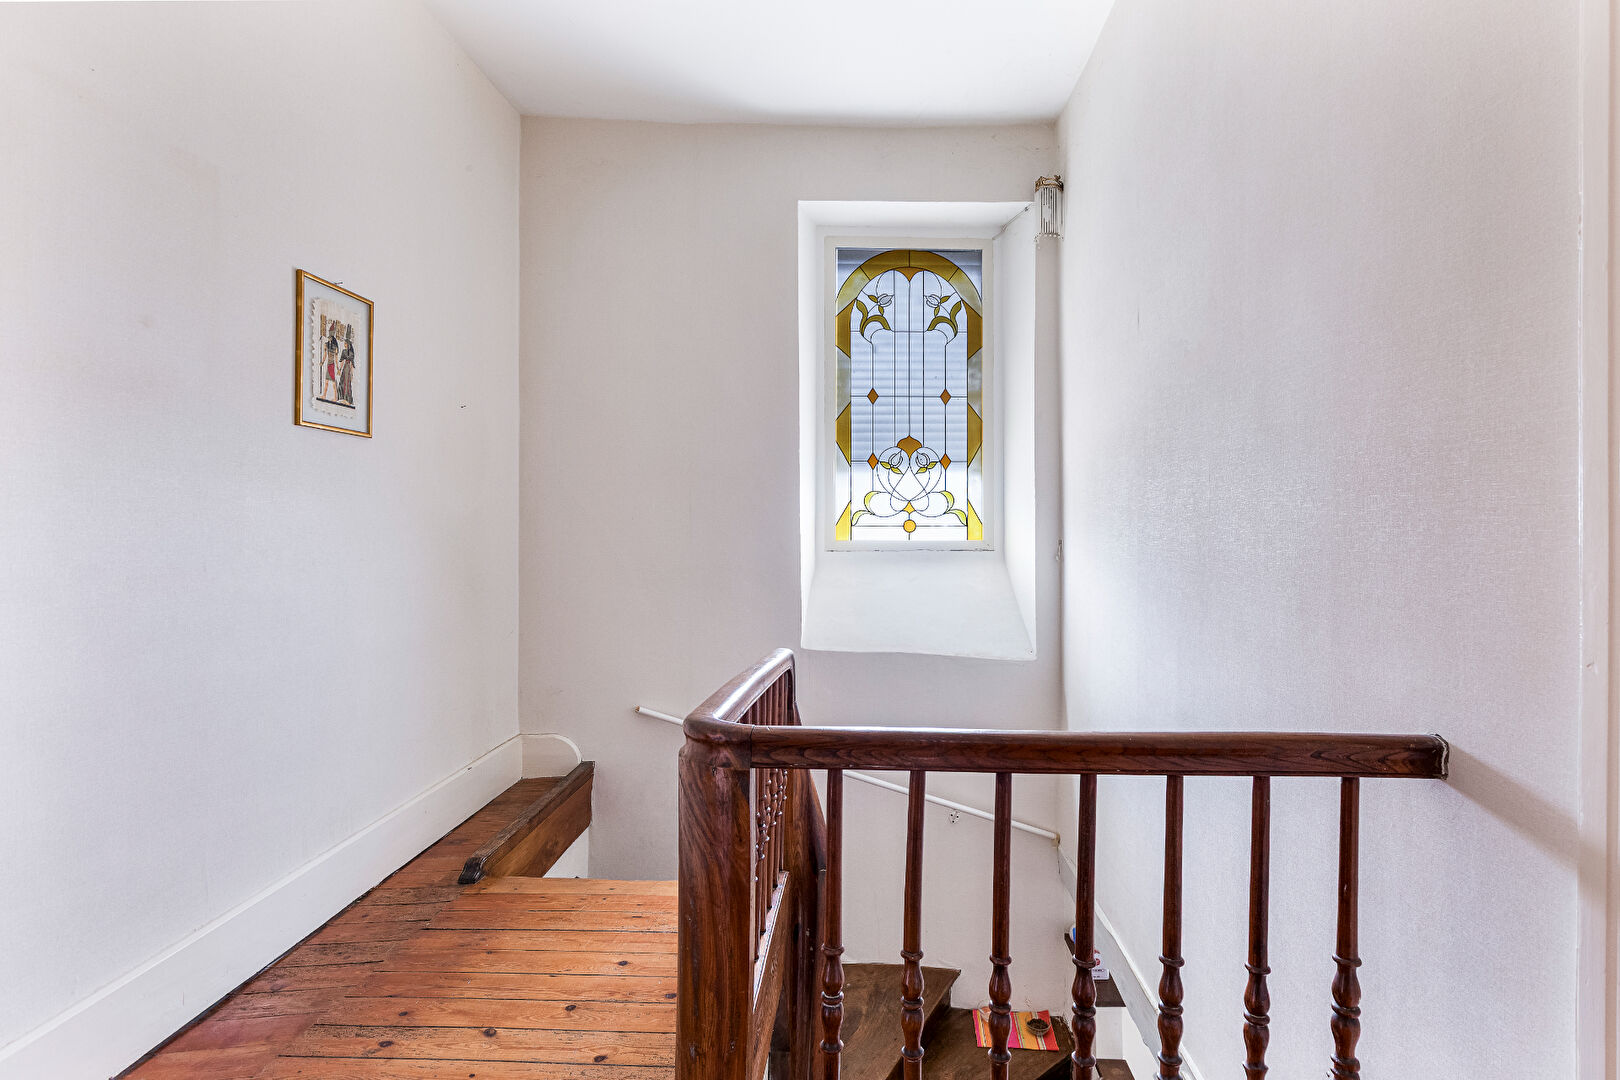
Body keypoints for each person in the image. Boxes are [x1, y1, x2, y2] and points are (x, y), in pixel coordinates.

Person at [337, 326, 356, 406]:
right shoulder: (344, 351)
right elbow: (342, 361)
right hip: (345, 367)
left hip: (348, 368)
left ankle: (347, 399)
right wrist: (339, 369)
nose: (344, 345)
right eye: (344, 343)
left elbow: (351, 364)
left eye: (345, 343)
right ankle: (342, 398)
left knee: (347, 383)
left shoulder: (351, 353)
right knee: (342, 382)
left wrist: (351, 374)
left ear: (348, 344)